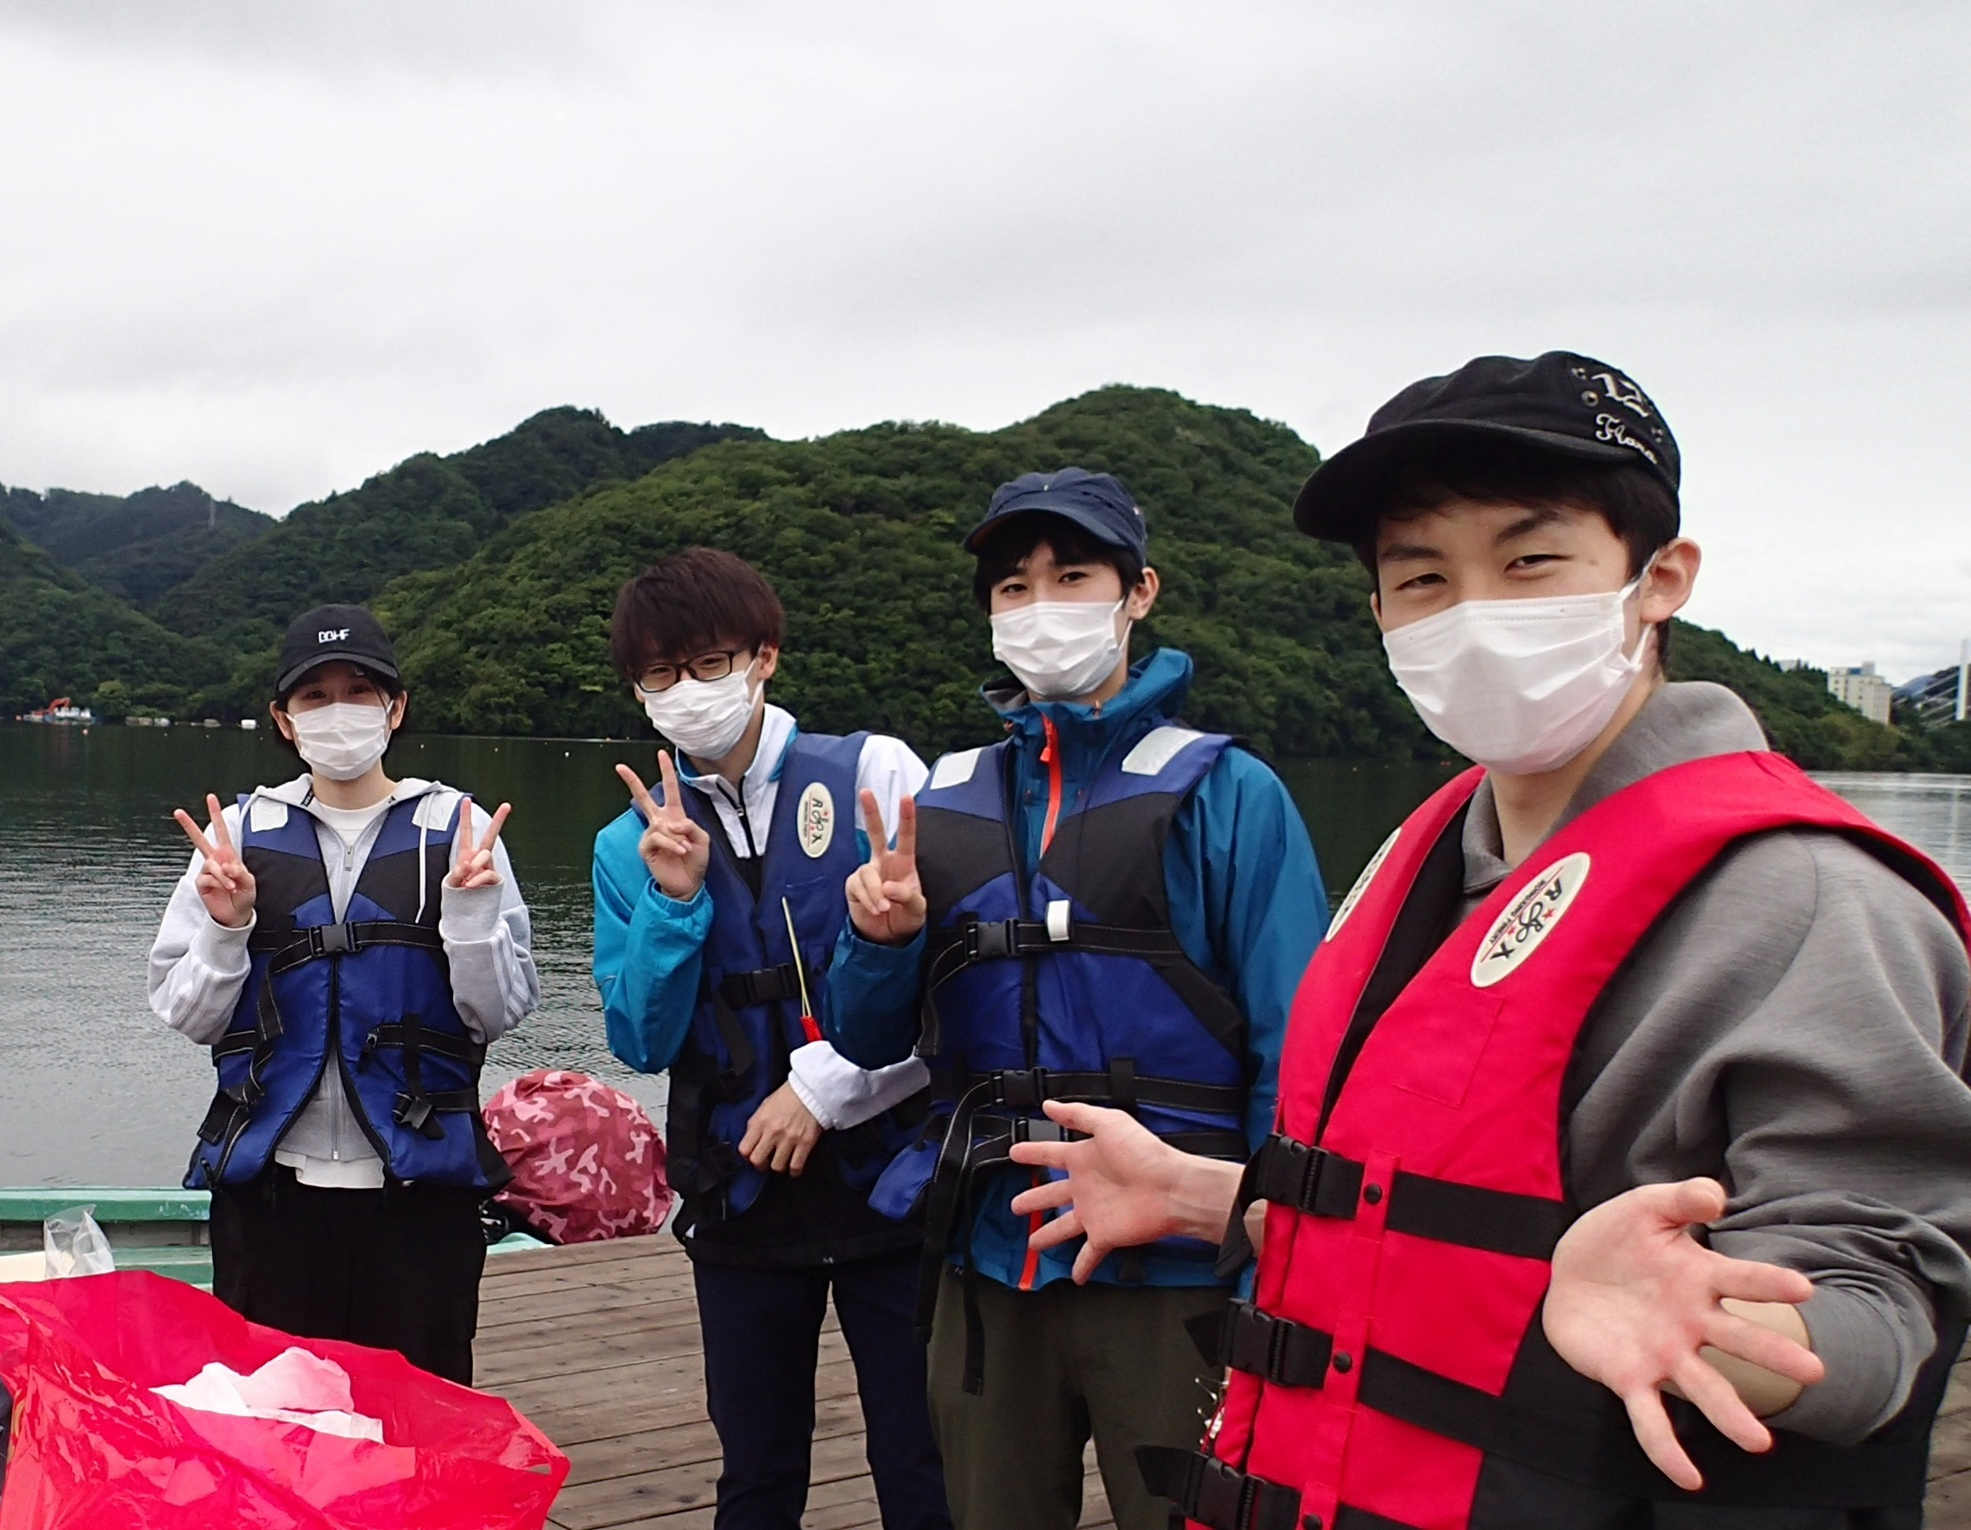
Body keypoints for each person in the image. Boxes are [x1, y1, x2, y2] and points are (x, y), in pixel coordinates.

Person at [1024, 353, 1971, 1530]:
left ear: (1658, 577)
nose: (1473, 613)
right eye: (1422, 578)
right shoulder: (1416, 864)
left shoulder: (1811, 896)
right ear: (1379, 612)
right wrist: (1200, 1196)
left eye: (1531, 561)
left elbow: (1883, 1291)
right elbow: (1410, 1222)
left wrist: (1715, 1327)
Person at [821, 470, 1332, 1530]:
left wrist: (1270, 1261)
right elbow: (869, 1042)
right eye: (1013, 586)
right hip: (990, 1256)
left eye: (1072, 575)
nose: (1040, 603)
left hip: (1179, 1269)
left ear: (1138, 591)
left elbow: (1301, 1052)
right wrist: (883, 938)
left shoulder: (1232, 798)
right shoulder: (940, 801)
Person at [591, 548, 955, 1530]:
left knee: (924, 1460)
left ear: (764, 657)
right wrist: (672, 904)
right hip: (738, 1185)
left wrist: (825, 1086)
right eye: (658, 676)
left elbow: (950, 988)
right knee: (756, 1468)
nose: (685, 692)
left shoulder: (876, 774)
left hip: (891, 1179)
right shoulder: (627, 844)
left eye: (707, 663)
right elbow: (640, 1037)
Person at [150, 604, 537, 1384]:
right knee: (278, 1436)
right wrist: (228, 929)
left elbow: (499, 1012)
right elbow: (185, 1014)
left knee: (416, 1428)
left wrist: (467, 917)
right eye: (314, 696)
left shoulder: (458, 831)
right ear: (283, 721)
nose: (338, 713)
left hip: (416, 1199)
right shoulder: (240, 835)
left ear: (395, 708)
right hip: (274, 1200)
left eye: (359, 691)